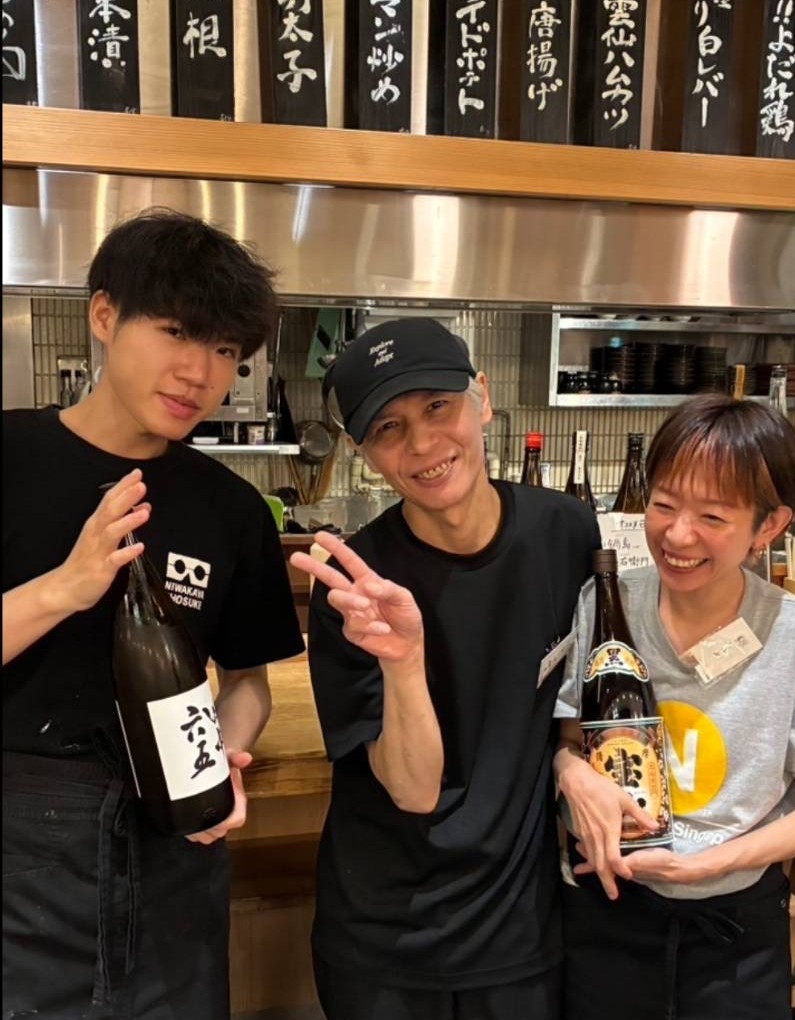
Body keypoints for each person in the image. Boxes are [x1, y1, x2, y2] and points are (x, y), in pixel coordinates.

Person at [2, 209, 305, 1019]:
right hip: (20, 851)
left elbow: (247, 682)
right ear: (104, 315)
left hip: (172, 845)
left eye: (226, 351)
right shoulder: (12, 458)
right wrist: (65, 587)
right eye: (176, 332)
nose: (198, 373)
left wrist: (221, 762)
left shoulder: (230, 509)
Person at [289, 317, 601, 1020]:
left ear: (481, 397)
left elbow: (590, 690)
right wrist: (404, 663)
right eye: (389, 428)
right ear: (364, 452)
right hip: (388, 939)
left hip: (522, 928)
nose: (424, 444)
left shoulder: (565, 533)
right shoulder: (358, 589)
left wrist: (571, 761)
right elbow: (412, 789)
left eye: (438, 405)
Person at [554, 394, 795, 1020]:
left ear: (769, 527)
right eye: (664, 504)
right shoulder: (605, 601)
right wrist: (569, 774)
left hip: (734, 931)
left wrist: (708, 865)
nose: (677, 535)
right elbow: (569, 740)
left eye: (713, 517)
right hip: (606, 908)